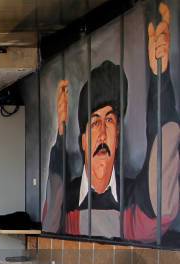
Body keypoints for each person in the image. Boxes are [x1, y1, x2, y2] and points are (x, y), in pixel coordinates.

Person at [42, 2, 179, 241]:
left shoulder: (134, 199)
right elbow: (50, 224)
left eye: (109, 121)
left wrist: (160, 77)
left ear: (117, 136)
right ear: (83, 141)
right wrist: (60, 135)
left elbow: (163, 200)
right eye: (94, 122)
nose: (103, 133)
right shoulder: (68, 202)